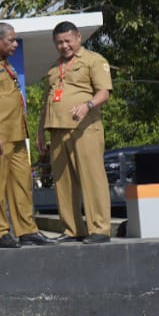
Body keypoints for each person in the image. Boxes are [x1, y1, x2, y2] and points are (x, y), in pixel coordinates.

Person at [0, 23, 51, 248]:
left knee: (22, 184)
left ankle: (27, 229)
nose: (15, 44)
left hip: (15, 135)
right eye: (11, 40)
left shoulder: (5, 64)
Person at [36, 22, 113, 244]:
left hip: (84, 129)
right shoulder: (53, 69)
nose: (64, 46)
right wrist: (41, 132)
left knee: (92, 178)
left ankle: (99, 229)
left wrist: (88, 105)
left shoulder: (93, 60)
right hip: (57, 130)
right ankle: (72, 229)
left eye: (68, 40)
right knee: (63, 182)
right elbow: (46, 103)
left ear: (78, 38)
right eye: (59, 42)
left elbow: (104, 92)